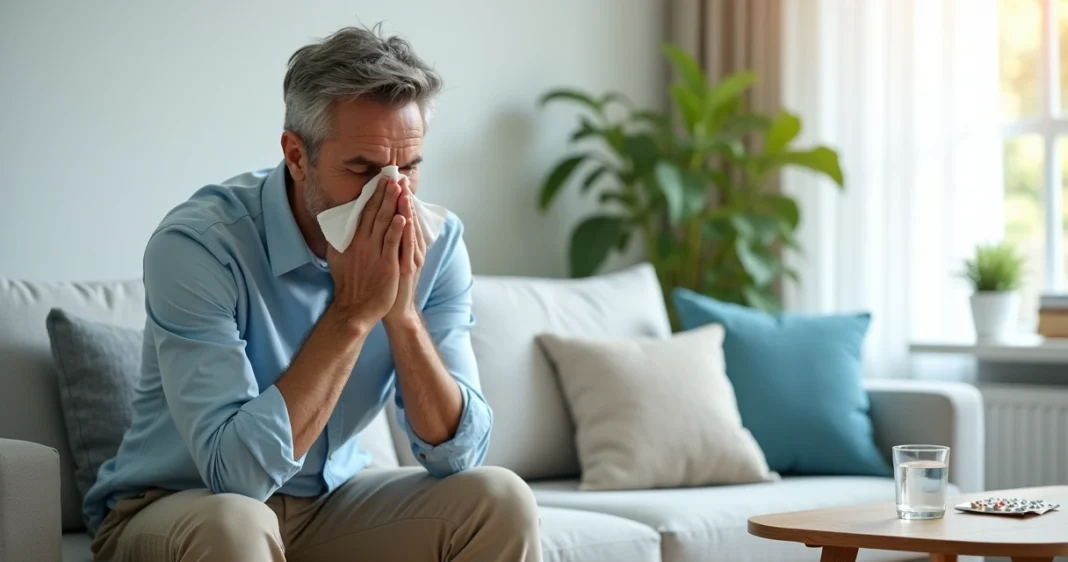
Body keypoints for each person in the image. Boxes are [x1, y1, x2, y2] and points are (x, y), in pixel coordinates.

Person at [85, 25, 541, 562]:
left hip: (329, 504)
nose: (392, 194)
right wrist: (352, 313)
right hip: (184, 505)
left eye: (410, 168)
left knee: (500, 499)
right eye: (363, 170)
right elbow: (237, 476)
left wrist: (401, 315)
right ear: (297, 156)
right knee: (238, 523)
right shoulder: (199, 246)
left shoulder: (436, 245)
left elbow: (457, 455)